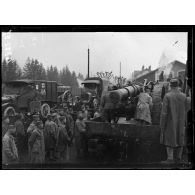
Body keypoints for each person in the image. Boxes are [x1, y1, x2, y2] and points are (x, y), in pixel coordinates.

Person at [160, 78, 191, 163]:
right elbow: (187, 109)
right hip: (181, 122)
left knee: (169, 138)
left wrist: (162, 125)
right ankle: (179, 158)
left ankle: (170, 159)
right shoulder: (184, 96)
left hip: (170, 122)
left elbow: (164, 113)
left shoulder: (167, 96)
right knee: (180, 138)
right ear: (178, 86)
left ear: (170, 85)